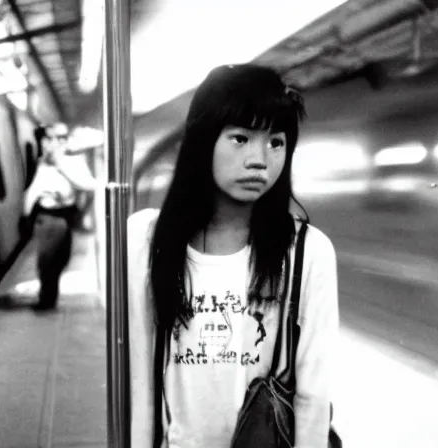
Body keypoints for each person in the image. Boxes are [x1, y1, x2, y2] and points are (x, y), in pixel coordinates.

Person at [127, 64, 340, 448]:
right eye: (241, 138)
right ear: (202, 141)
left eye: (276, 142)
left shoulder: (307, 251)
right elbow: (141, 378)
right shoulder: (147, 240)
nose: (260, 160)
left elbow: (312, 395)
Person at [23, 123, 98, 310]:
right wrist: (25, 215)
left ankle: (48, 296)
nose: (52, 143)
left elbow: (89, 186)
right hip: (47, 217)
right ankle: (46, 300)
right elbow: (33, 190)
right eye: (48, 139)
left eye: (59, 139)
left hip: (66, 216)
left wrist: (61, 166)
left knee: (62, 259)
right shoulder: (42, 163)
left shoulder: (74, 162)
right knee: (47, 261)